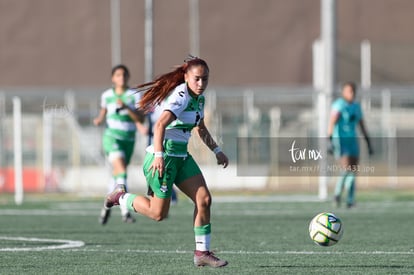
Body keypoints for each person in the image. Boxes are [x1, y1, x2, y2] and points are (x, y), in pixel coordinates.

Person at [104, 56, 229, 267]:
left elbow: (200, 127)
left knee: (204, 200)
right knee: (158, 213)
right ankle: (121, 196)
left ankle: (202, 253)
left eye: (205, 79)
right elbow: (160, 125)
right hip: (163, 158)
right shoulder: (181, 96)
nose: (201, 84)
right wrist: (160, 156)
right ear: (187, 77)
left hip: (181, 157)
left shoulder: (199, 98)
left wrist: (217, 150)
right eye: (197, 79)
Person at [94, 64, 145, 224]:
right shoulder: (106, 95)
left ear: (128, 77)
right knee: (122, 170)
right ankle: (125, 211)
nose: (121, 77)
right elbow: (103, 112)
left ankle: (106, 207)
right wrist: (99, 119)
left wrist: (127, 108)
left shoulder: (134, 95)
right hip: (111, 138)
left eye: (124, 75)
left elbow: (140, 118)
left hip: (128, 139)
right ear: (113, 78)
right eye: (118, 75)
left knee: (117, 175)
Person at [328, 82, 373, 208]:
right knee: (347, 168)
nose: (352, 94)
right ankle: (337, 194)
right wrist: (329, 139)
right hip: (341, 140)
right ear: (343, 92)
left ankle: (350, 199)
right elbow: (332, 122)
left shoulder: (356, 107)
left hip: (353, 140)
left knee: (353, 170)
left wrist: (368, 141)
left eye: (353, 91)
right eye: (349, 91)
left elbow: (361, 124)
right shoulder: (339, 105)